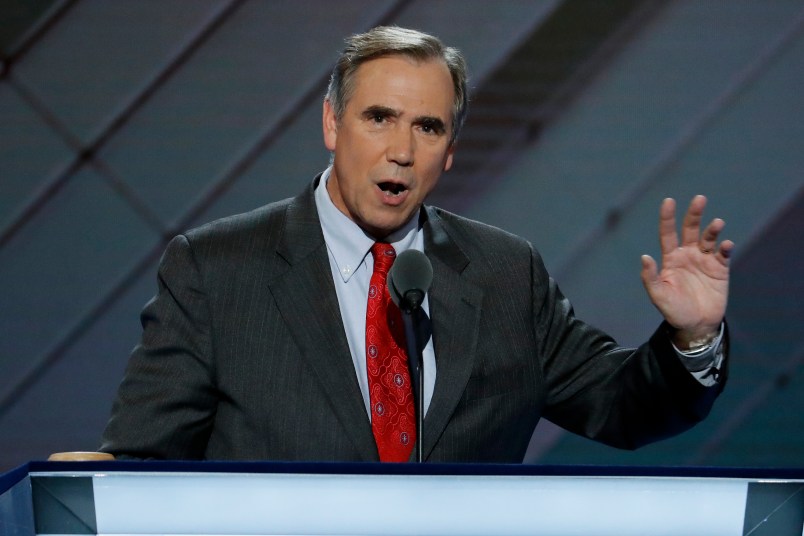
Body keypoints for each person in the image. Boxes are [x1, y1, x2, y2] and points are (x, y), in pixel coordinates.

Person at [100, 26, 732, 463]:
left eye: (427, 128)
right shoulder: (216, 270)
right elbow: (145, 458)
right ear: (331, 122)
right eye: (378, 118)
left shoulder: (507, 274)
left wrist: (692, 340)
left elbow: (621, 407)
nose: (401, 151)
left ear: (451, 152)